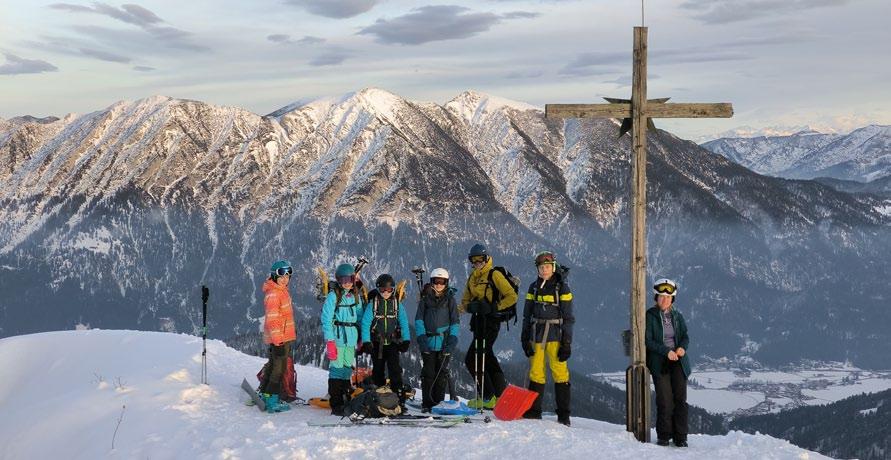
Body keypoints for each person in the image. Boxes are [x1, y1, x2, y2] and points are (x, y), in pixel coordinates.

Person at [460, 243, 518, 409]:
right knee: (488, 357)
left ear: (486, 259)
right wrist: (470, 307)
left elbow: (511, 296)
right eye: (474, 260)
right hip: (478, 323)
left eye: (480, 259)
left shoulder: (494, 275)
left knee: (473, 358)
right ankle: (500, 395)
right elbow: (465, 301)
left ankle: (487, 397)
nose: (477, 263)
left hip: (491, 323)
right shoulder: (472, 278)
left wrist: (494, 307)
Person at [521, 251, 574, 426]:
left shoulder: (562, 288)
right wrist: (524, 338)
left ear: (553, 267)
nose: (544, 270)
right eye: (541, 267)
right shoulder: (533, 288)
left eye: (547, 267)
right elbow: (527, 315)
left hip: (556, 336)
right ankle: (534, 411)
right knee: (536, 371)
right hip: (536, 334)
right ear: (537, 269)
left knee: (560, 372)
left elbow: (568, 318)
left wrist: (566, 342)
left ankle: (564, 416)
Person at [645, 278, 691, 447]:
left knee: (680, 399)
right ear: (656, 297)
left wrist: (682, 348)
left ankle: (681, 437)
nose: (665, 300)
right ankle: (664, 435)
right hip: (660, 362)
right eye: (661, 296)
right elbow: (648, 340)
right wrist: (666, 351)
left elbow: (685, 336)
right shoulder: (650, 316)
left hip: (678, 361)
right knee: (665, 400)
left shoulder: (677, 316)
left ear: (672, 299)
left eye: (668, 297)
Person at [321, 263, 366, 416]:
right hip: (338, 337)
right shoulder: (333, 296)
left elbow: (360, 317)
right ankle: (336, 403)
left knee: (347, 368)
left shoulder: (355, 296)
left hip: (351, 338)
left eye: (350, 279)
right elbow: (326, 319)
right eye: (344, 280)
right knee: (337, 369)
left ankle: (346, 397)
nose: (347, 283)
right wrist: (330, 341)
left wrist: (360, 337)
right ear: (338, 280)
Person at [415, 268, 460, 412]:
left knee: (441, 375)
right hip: (428, 342)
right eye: (436, 281)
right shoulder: (425, 300)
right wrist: (422, 339)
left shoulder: (450, 300)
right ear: (432, 282)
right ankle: (427, 403)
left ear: (446, 283)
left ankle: (438, 403)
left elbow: (455, 322)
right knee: (428, 373)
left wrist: (452, 341)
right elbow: (419, 320)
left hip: (444, 342)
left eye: (442, 282)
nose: (439, 285)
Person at [360, 274, 411, 392]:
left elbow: (404, 322)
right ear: (378, 289)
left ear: (393, 289)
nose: (386, 292)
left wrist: (406, 340)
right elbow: (365, 323)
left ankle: (397, 391)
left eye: (389, 289)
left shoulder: (397, 305)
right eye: (383, 289)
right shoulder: (373, 304)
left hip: (392, 343)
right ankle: (378, 391)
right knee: (378, 368)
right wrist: (366, 341)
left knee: (395, 368)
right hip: (377, 343)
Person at [259, 260, 296, 413]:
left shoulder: (281, 290)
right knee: (279, 369)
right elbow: (273, 321)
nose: (285, 279)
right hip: (280, 338)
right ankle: (272, 400)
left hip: (282, 337)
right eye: (281, 276)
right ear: (274, 276)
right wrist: (278, 342)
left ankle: (264, 393)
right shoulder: (274, 294)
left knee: (273, 365)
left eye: (287, 276)